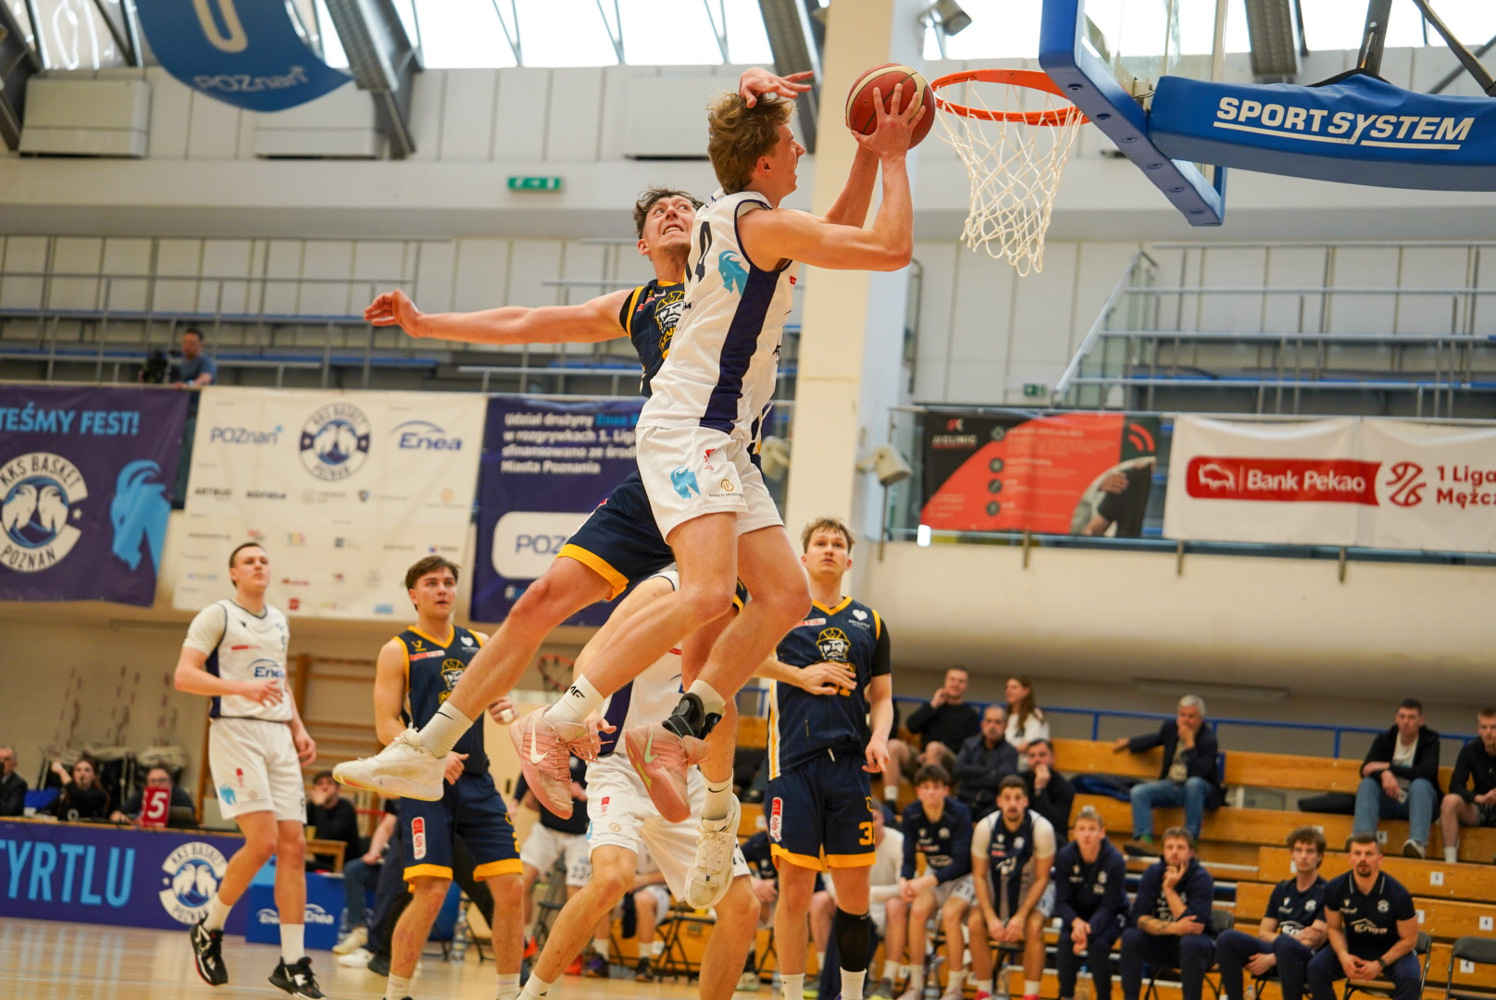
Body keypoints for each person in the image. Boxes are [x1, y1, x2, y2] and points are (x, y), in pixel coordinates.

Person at [331, 68, 817, 807]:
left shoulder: (735, 261)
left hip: (723, 467)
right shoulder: (636, 303)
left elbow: (758, 170)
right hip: (669, 470)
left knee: (713, 628)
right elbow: (528, 322)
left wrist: (756, 93)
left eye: (684, 206)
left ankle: (711, 812)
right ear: (642, 244)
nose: (673, 213)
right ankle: (428, 745)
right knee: (542, 600)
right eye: (658, 213)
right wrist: (428, 324)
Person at [509, 74, 921, 847]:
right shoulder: (750, 222)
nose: (800, 151)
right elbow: (889, 248)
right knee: (704, 592)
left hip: (725, 436)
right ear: (764, 162)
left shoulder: (754, 222)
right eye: (791, 143)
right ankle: (556, 721)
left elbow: (833, 229)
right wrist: (897, 155)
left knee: (785, 596)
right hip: (689, 425)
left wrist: (867, 155)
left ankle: (676, 730)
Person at [514, 568, 760, 1000]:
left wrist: (798, 675)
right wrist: (587, 711)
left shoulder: (741, 600)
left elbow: (740, 669)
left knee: (743, 907)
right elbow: (594, 651)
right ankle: (531, 993)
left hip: (679, 768)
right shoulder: (663, 588)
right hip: (620, 761)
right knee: (612, 879)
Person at [369, 555, 523, 1000]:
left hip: (477, 782)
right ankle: (396, 993)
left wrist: (502, 705)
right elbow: (385, 726)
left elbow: (495, 697)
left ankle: (509, 993)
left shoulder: (480, 642)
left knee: (512, 889)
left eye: (448, 582)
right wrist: (430, 754)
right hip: (425, 783)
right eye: (431, 583)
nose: (442, 589)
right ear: (413, 595)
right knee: (432, 891)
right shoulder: (398, 649)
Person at [173, 541, 321, 998]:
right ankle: (209, 926)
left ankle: (292, 963)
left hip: (278, 735)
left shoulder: (279, 620)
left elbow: (278, 680)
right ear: (234, 573)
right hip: (236, 732)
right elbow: (184, 676)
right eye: (248, 561)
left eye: (263, 560)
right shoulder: (216, 615)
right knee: (263, 842)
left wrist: (298, 727)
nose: (258, 565)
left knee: (294, 846)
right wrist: (242, 688)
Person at [760, 516, 894, 1000]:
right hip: (794, 766)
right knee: (795, 892)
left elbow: (883, 697)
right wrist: (801, 675)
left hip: (850, 768)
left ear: (848, 561)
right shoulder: (779, 610)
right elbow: (743, 658)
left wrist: (880, 737)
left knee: (854, 896)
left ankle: (852, 995)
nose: (830, 549)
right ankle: (792, 994)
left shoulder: (870, 622)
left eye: (838, 543)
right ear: (804, 557)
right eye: (821, 542)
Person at [967, 776, 1057, 1000]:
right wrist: (991, 917)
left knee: (1034, 926)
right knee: (975, 922)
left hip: (1033, 887)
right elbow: (979, 875)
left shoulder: (1041, 828)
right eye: (1007, 798)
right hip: (997, 884)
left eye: (1017, 798)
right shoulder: (985, 828)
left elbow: (1042, 878)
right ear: (999, 801)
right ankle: (984, 992)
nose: (1012, 804)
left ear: (1026, 801)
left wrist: (1021, 916)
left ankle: (1030, 995)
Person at [515, 757, 606, 975]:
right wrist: (515, 801)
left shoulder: (596, 753)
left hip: (580, 834)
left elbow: (608, 792)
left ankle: (574, 953)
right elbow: (528, 768)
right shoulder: (552, 748)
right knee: (520, 884)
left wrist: (584, 794)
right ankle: (525, 943)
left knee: (577, 895)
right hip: (547, 829)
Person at [1214, 827, 1328, 1000]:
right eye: (1299, 850)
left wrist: (1272, 958)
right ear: (1291, 854)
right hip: (1279, 951)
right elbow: (1263, 933)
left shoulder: (1327, 892)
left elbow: (1314, 940)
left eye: (1310, 851)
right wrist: (1294, 939)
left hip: (1307, 960)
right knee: (1227, 938)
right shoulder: (1282, 889)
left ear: (1319, 856)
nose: (1303, 856)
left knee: (1285, 943)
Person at [893, 764, 974, 1000]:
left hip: (963, 876)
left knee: (950, 915)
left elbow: (961, 862)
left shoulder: (959, 812)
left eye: (936, 787)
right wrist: (904, 881)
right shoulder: (911, 813)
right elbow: (909, 857)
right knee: (917, 912)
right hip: (934, 873)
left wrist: (922, 882)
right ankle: (916, 986)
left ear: (946, 790)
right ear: (918, 790)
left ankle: (954, 988)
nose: (931, 792)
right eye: (926, 787)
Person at [1307, 835, 1420, 1000]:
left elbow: (1410, 939)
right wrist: (1343, 956)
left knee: (1410, 979)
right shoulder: (1335, 888)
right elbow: (1334, 928)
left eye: (1368, 854)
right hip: (1353, 945)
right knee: (1316, 968)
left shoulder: (1398, 894)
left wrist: (1379, 964)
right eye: (1357, 853)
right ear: (1349, 858)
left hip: (1391, 948)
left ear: (1379, 859)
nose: (1362, 859)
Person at [1112, 695, 1223, 854]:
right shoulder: (1171, 728)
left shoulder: (1209, 740)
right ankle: (1144, 839)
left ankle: (1190, 841)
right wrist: (1130, 742)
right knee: (1139, 792)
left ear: (1200, 719)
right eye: (1182, 715)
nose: (1185, 720)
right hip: (1172, 786)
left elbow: (1198, 773)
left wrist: (1189, 743)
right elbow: (1155, 739)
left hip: (1199, 791)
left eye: (1191, 716)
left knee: (1194, 784)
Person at [1119, 827, 1218, 1000]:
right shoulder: (1153, 873)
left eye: (1180, 847)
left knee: (1190, 942)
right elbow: (1138, 919)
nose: (1174, 852)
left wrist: (1169, 890)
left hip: (1199, 946)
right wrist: (1175, 928)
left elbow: (1194, 926)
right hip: (1164, 942)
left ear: (1191, 852)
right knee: (1130, 937)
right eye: (1169, 847)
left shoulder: (1202, 878)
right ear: (1163, 851)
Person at [1052, 806, 1127, 1000]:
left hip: (1110, 915)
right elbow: (1061, 901)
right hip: (1077, 916)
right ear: (1074, 833)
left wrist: (1087, 931)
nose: (1086, 834)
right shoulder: (1065, 856)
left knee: (1098, 945)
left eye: (1092, 829)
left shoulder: (1115, 860)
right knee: (1065, 943)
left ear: (1101, 833)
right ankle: (1066, 996)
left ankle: (1104, 996)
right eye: (1082, 829)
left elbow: (1109, 906)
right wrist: (1076, 923)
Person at [1353, 698, 1441, 859]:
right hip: (1389, 800)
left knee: (1421, 785)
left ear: (1421, 721)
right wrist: (1384, 774)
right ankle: (1363, 841)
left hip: (1419, 803)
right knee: (1367, 784)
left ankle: (1417, 844)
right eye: (1402, 716)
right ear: (1396, 718)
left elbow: (1427, 772)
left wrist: (1388, 767)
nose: (1406, 721)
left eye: (1411, 717)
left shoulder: (1430, 740)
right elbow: (1365, 769)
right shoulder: (1384, 739)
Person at [838, 806, 904, 1000]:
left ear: (882, 818)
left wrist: (868, 893)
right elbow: (833, 883)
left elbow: (904, 888)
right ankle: (825, 975)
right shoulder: (849, 839)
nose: (870, 824)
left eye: (874, 818)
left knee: (896, 905)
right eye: (865, 819)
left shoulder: (898, 841)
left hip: (886, 905)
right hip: (860, 903)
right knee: (825, 903)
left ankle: (887, 981)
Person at [888, 668, 982, 801]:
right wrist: (933, 704)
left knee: (934, 747)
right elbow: (911, 726)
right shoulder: (933, 707)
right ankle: (890, 800)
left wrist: (932, 752)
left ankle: (928, 799)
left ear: (966, 686)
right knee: (893, 745)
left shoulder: (970, 715)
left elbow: (969, 746)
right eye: (952, 679)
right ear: (945, 682)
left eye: (961, 681)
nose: (956, 684)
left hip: (952, 763)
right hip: (922, 759)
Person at [335, 799, 397, 957]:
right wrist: (374, 852)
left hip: (407, 870)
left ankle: (393, 945)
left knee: (393, 878)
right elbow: (385, 827)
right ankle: (359, 931)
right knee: (354, 869)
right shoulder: (398, 800)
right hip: (387, 864)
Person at [1439, 706, 1496, 863]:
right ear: (1478, 729)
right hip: (1479, 806)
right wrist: (1479, 798)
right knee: (1449, 801)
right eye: (1484, 727)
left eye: (1493, 727)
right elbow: (1455, 786)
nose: (1488, 732)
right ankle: (1450, 863)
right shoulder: (1470, 749)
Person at [953, 705, 1018, 819]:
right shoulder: (970, 744)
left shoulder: (1010, 752)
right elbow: (957, 770)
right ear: (983, 724)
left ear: (1005, 726)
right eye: (989, 721)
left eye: (997, 722)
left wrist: (970, 775)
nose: (992, 726)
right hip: (964, 799)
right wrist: (989, 771)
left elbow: (1001, 780)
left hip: (991, 804)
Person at [1023, 739, 1075, 845]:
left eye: (1042, 755)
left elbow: (1055, 824)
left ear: (1052, 758)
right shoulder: (1020, 781)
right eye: (1032, 756)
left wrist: (1040, 789)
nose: (1037, 760)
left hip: (1052, 840)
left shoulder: (1064, 787)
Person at [306, 770, 361, 869]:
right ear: (314, 789)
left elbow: (327, 836)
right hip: (320, 860)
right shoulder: (311, 806)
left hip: (345, 863)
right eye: (320, 784)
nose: (324, 787)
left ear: (338, 789)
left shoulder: (346, 807)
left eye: (329, 783)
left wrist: (319, 806)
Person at [110, 765, 194, 824]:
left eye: (161, 780)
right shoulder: (144, 792)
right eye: (153, 781)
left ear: (171, 783)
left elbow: (189, 819)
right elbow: (116, 814)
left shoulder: (179, 795)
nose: (156, 784)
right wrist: (125, 820)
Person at [1004, 676, 1050, 766]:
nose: (1008, 691)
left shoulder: (1035, 715)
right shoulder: (1006, 716)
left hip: (1026, 765)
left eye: (1014, 687)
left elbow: (1031, 745)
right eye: (1007, 687)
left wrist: (1003, 752)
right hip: (1005, 764)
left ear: (1025, 691)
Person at [50, 756, 111, 821]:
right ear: (73, 775)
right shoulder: (64, 796)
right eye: (78, 770)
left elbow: (80, 796)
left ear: (94, 776)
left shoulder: (100, 794)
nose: (82, 773)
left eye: (87, 770)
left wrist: (61, 771)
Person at [0, 745, 26, 817]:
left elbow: (10, 810)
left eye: (7, 759)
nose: (1, 762)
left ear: (14, 764)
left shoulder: (19, 784)